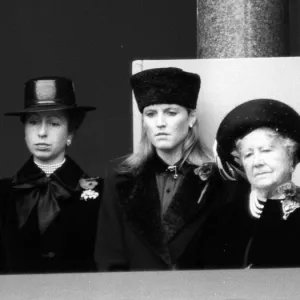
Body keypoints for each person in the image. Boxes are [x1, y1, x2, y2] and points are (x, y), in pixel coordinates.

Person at [94, 67, 238, 271]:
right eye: (151, 114)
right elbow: (109, 258)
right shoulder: (121, 180)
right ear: (143, 122)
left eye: (171, 113)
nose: (160, 123)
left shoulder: (219, 180)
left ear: (190, 118)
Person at [0, 76, 103, 273]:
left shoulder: (101, 193)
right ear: (24, 131)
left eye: (54, 123)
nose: (42, 132)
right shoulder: (3, 193)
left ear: (70, 133)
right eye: (33, 122)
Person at [214, 98, 300, 268]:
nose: (257, 162)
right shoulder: (223, 218)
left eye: (266, 150)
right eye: (248, 154)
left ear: (291, 156)